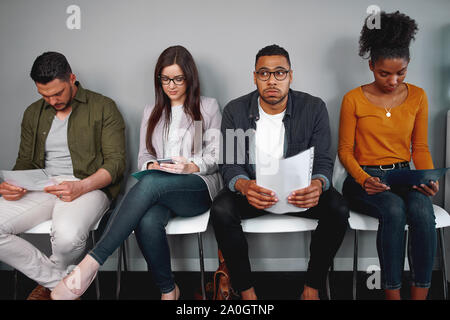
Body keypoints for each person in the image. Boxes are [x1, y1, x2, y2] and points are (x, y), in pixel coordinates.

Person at [51, 45, 223, 300]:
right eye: (165, 79)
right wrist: (151, 165)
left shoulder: (207, 107)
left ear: (190, 78)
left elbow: (216, 156)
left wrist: (191, 166)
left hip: (196, 187)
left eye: (178, 78)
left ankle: (91, 262)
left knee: (152, 183)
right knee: (147, 220)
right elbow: (144, 155)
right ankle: (169, 291)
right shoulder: (151, 111)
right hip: (161, 188)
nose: (171, 85)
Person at [211, 44, 349, 300]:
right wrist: (244, 186)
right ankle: (246, 291)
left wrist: (318, 185)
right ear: (254, 77)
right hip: (255, 193)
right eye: (264, 73)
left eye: (279, 73)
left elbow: (323, 160)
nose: (271, 80)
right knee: (220, 209)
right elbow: (229, 163)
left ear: (290, 75)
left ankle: (312, 287)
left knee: (338, 208)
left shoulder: (314, 107)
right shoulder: (235, 110)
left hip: (300, 193)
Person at [0, 52, 126, 300]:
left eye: (58, 93)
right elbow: (25, 162)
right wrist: (12, 184)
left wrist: (81, 187)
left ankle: (49, 286)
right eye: (44, 95)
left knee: (68, 239)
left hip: (89, 187)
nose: (52, 100)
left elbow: (116, 164)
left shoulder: (103, 107)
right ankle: (60, 285)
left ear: (72, 78)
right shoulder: (32, 113)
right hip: (42, 187)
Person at [338, 11, 438, 300]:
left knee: (421, 209)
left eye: (401, 72)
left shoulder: (418, 96)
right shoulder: (353, 99)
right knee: (393, 209)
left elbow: (420, 147)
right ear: (371, 66)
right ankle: (391, 294)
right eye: (385, 73)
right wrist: (364, 178)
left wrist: (428, 176)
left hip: (404, 173)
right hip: (363, 177)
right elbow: (344, 150)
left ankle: (421, 295)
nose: (393, 80)